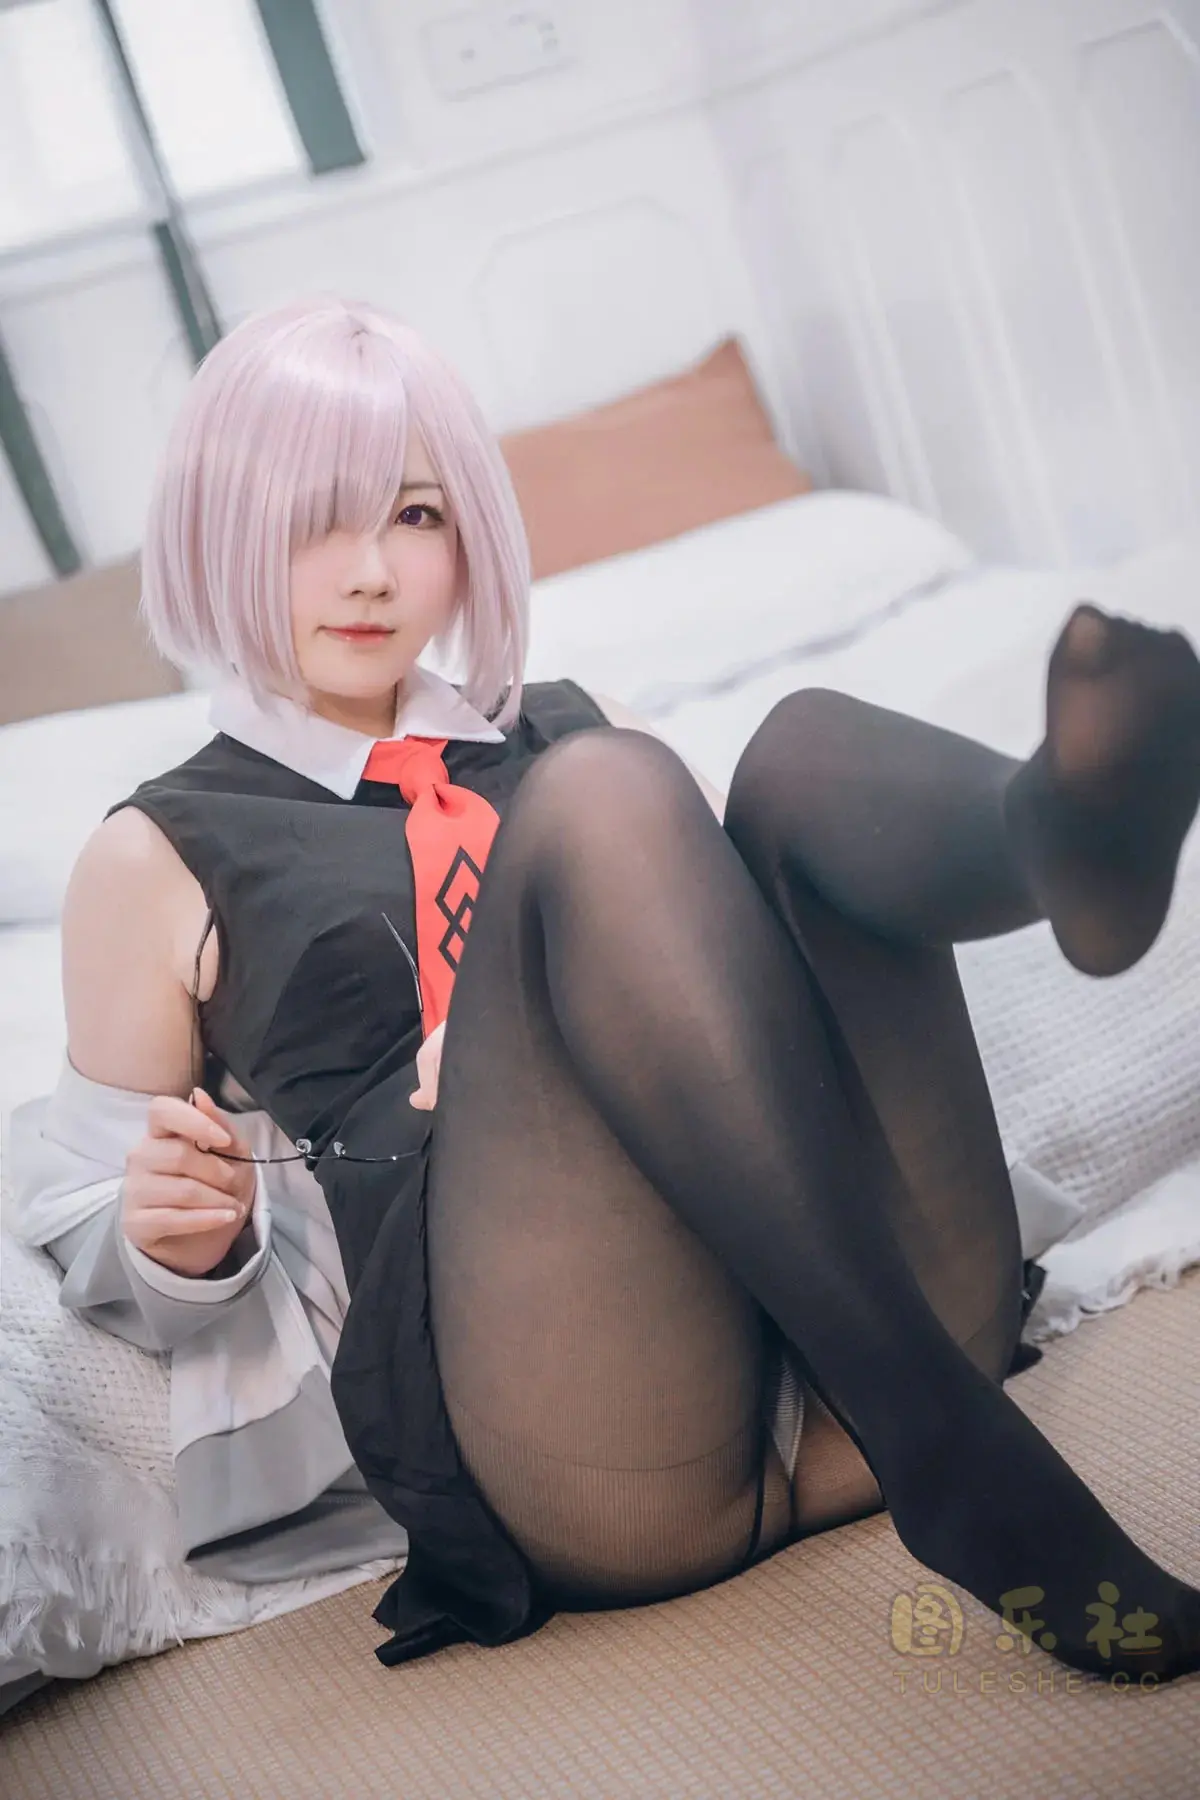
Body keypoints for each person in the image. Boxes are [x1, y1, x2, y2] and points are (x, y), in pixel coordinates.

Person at [12, 295, 1200, 1679]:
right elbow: (89, 1222)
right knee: (601, 800)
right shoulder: (157, 852)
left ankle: (1053, 839)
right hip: (601, 1433)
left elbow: (747, 1001)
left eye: (414, 515)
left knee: (798, 751)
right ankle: (949, 1444)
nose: (371, 573)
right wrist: (178, 1242)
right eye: (310, 523)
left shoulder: (578, 721)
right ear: (219, 531)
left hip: (867, 1314)